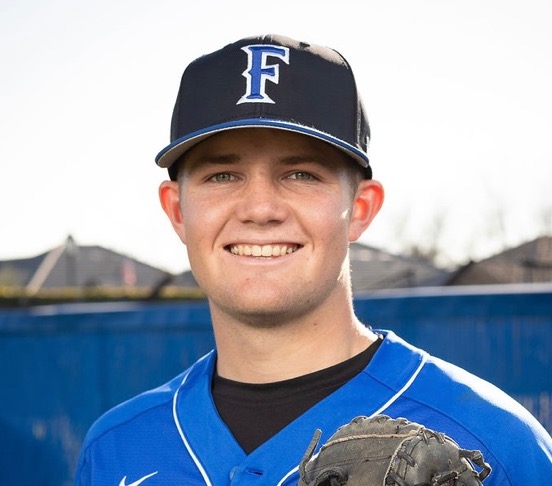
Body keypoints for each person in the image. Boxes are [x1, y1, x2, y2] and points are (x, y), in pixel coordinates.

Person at [74, 34, 552, 485]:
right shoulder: (114, 449)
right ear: (178, 211)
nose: (260, 208)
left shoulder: (498, 443)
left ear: (360, 209)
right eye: (222, 175)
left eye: (300, 174)